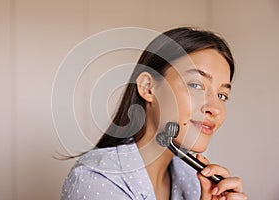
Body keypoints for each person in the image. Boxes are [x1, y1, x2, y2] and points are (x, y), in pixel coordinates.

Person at [61, 27, 247, 200]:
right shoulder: (97, 179)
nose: (215, 108)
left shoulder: (194, 180)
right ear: (148, 88)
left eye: (222, 95)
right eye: (196, 85)